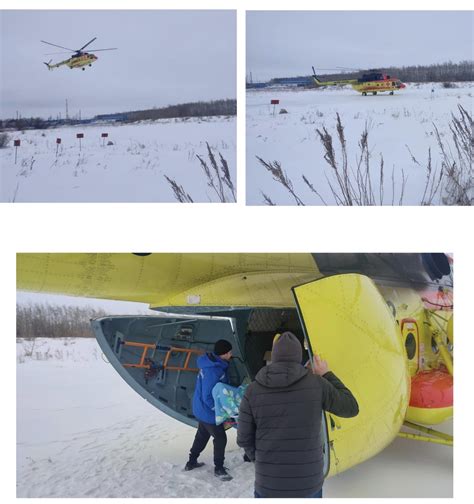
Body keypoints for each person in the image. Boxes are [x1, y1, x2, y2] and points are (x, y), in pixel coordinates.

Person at [237, 331, 359, 498]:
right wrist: (326, 374)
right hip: (308, 484)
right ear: (299, 356)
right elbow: (351, 407)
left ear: (275, 356)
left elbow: (244, 438)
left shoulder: (252, 390)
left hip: (269, 485)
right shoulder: (317, 384)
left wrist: (261, 461)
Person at [185, 339, 233, 480]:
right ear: (223, 354)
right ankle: (219, 468)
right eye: (229, 352)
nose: (231, 354)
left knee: (202, 434)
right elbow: (207, 396)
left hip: (200, 408)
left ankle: (191, 462)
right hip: (208, 410)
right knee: (220, 438)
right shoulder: (213, 370)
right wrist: (218, 411)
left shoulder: (211, 363)